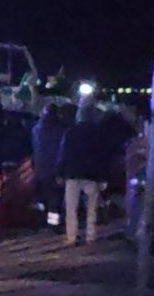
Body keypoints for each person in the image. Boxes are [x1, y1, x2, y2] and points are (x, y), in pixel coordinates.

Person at [57, 104, 110, 244]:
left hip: (72, 173)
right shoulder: (99, 134)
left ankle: (72, 236)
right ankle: (90, 235)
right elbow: (103, 157)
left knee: (71, 208)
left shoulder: (70, 132)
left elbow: (63, 154)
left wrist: (60, 173)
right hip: (92, 175)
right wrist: (103, 177)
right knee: (91, 208)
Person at [31, 104, 66, 229]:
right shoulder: (61, 130)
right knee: (55, 199)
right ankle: (53, 224)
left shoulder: (36, 129)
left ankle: (40, 221)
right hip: (55, 169)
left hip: (39, 168)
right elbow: (63, 151)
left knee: (41, 197)